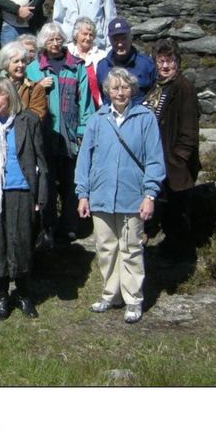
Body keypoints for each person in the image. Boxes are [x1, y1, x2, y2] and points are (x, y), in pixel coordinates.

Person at [75, 67, 166, 323]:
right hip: (101, 195)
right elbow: (85, 160)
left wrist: (149, 194)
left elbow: (155, 160)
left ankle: (133, 299)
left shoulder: (145, 118)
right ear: (107, 91)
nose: (120, 92)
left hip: (132, 196)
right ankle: (110, 294)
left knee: (131, 249)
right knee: (106, 248)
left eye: (125, 87)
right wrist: (83, 193)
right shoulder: (97, 120)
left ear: (132, 89)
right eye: (115, 88)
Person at [0, 75, 48, 320]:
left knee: (21, 244)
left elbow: (40, 160)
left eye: (1, 94)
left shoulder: (27, 121)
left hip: (21, 190)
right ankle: (2, 297)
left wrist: (41, 195)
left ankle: (25, 294)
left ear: (11, 96)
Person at [26, 21, 95, 245]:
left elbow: (85, 102)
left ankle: (69, 227)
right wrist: (37, 85)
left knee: (71, 183)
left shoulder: (77, 66)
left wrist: (84, 130)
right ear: (42, 43)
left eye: (58, 39)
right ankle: (48, 227)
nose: (55, 43)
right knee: (46, 183)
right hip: (44, 136)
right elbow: (24, 98)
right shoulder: (33, 68)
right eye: (50, 39)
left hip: (70, 135)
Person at [145, 39, 200, 257]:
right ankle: (168, 252)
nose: (165, 66)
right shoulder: (158, 85)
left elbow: (189, 131)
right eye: (161, 61)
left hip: (174, 164)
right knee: (165, 210)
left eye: (170, 61)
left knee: (176, 213)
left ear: (178, 62)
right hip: (159, 158)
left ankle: (179, 259)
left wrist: (178, 159)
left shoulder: (183, 87)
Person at [96, 19, 156, 104]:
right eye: (116, 39)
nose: (120, 44)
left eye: (124, 38)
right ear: (109, 40)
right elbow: (103, 96)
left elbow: (154, 94)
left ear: (131, 37)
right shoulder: (102, 67)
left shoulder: (146, 65)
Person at [0, 39, 47, 121]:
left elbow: (37, 118)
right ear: (6, 64)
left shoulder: (35, 88)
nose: (21, 65)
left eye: (23, 61)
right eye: (16, 61)